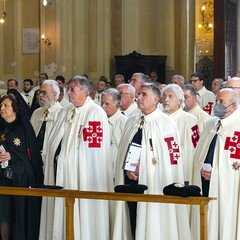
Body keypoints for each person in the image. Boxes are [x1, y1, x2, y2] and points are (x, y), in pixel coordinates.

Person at [113, 83, 191, 240]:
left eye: (144, 95)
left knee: (151, 222)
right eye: (139, 94)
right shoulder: (132, 121)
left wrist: (144, 167)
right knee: (131, 218)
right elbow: (123, 151)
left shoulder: (166, 123)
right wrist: (127, 169)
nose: (139, 97)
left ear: (156, 99)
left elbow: (172, 158)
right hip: (129, 181)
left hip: (153, 182)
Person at [41, 76, 112, 240]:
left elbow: (93, 153)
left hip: (79, 176)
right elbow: (53, 141)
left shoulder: (95, 113)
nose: (68, 92)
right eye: (68, 88)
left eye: (73, 89)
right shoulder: (65, 110)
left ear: (85, 91)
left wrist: (68, 161)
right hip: (58, 171)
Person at [192, 88, 240, 240]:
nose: (217, 105)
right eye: (217, 101)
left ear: (232, 106)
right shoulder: (211, 123)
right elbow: (200, 152)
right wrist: (201, 168)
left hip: (227, 187)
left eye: (221, 102)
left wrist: (218, 172)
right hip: (205, 181)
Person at [0, 93, 43, 240]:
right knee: (4, 212)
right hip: (2, 179)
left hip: (21, 177)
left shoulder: (23, 128)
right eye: (1, 105)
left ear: (15, 109)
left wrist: (12, 155)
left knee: (20, 213)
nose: (2, 108)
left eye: (6, 105)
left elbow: (30, 157)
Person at [162, 84, 200, 183]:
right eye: (164, 96)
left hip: (181, 169)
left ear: (179, 100)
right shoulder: (158, 118)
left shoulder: (190, 120)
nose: (166, 99)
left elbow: (192, 150)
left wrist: (186, 175)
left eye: (170, 96)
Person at [101, 88, 128, 181]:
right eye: (102, 103)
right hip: (99, 171)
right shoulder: (97, 120)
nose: (103, 106)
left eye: (107, 104)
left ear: (117, 104)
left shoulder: (126, 123)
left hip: (116, 173)